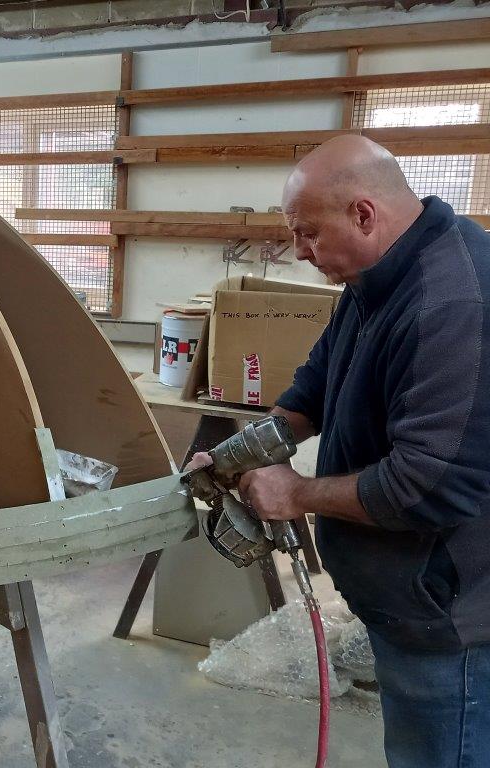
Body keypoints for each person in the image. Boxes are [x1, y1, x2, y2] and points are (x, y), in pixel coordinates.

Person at [188, 135, 490, 767]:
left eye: (307, 234)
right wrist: (235, 457)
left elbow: (427, 486)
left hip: (450, 618)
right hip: (405, 600)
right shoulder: (377, 277)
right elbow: (315, 387)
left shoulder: (451, 303)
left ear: (362, 214)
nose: (299, 253)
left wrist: (293, 494)